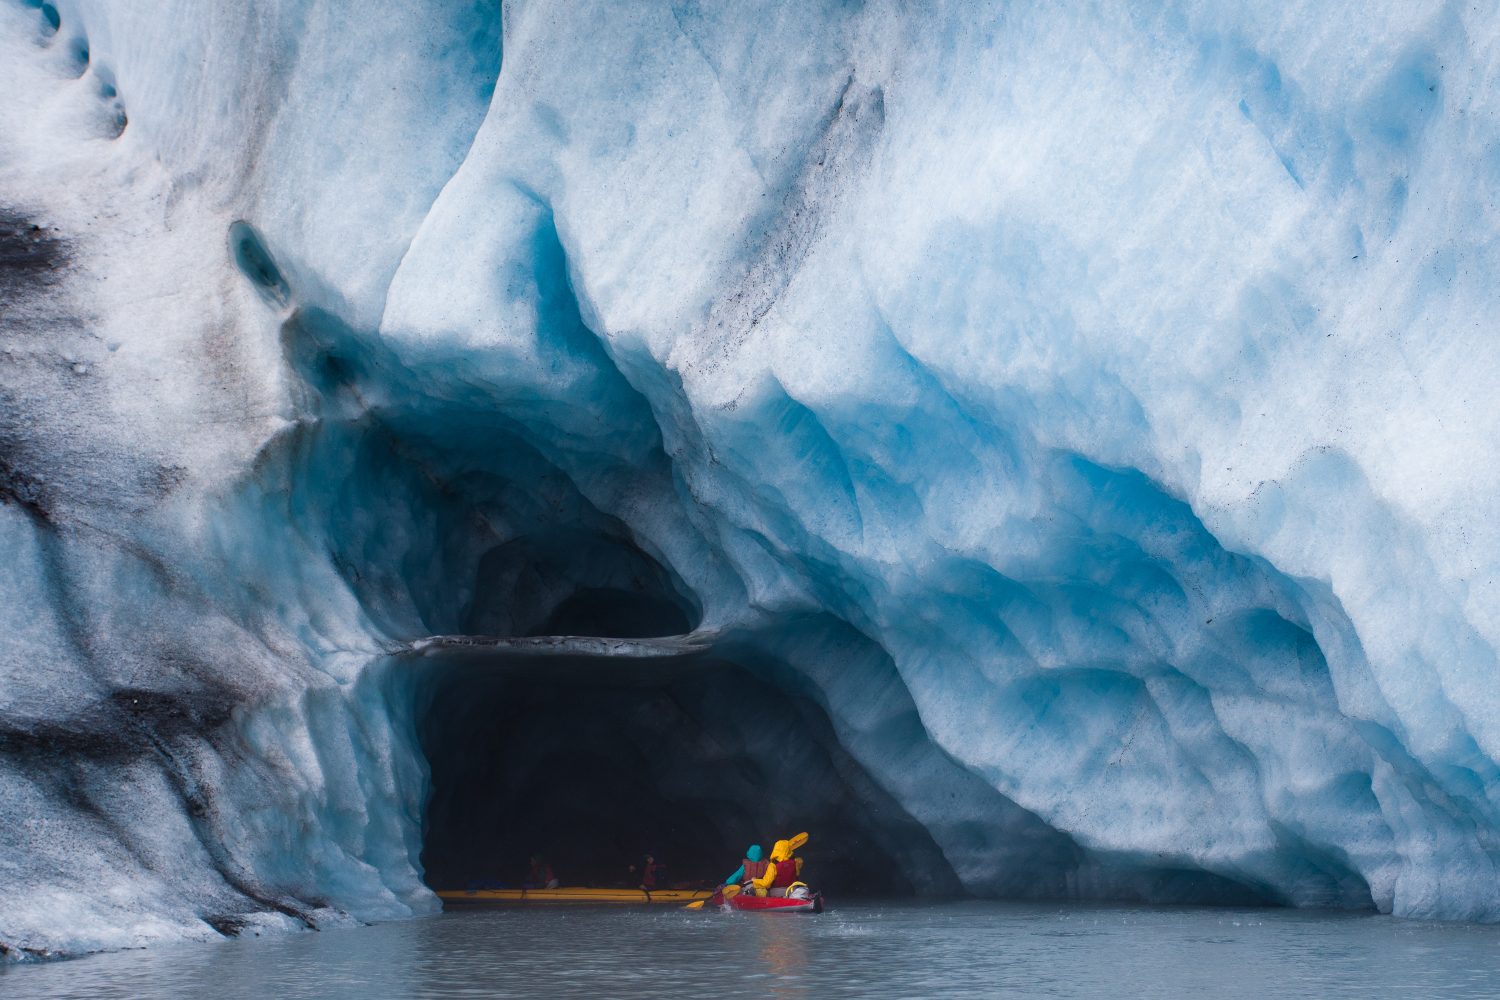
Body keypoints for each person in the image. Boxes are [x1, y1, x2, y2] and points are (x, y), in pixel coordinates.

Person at [748, 833, 808, 897]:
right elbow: (798, 869)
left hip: (777, 892)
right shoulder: (796, 862)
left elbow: (766, 883)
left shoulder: (773, 865)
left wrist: (755, 881)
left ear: (775, 849)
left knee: (761, 889)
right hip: (792, 891)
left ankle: (751, 894)